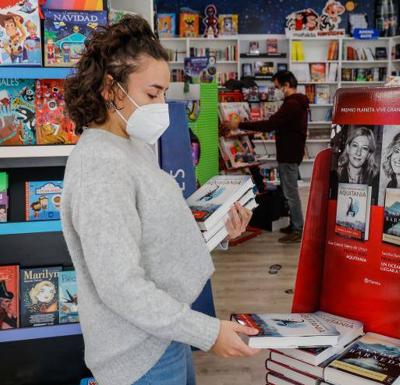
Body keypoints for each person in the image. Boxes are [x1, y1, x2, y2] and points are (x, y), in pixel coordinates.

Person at [61, 16, 259, 385]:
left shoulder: (132, 144)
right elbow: (121, 285)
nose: (161, 105)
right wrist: (209, 333)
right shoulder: (100, 166)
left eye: (165, 94)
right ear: (111, 88)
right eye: (152, 94)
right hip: (137, 355)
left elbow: (154, 240)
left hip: (167, 332)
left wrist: (220, 231)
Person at [227, 70, 309, 243]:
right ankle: (295, 224)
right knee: (288, 191)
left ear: (286, 86)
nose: (276, 90)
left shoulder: (292, 104)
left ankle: (298, 229)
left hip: (289, 154)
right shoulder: (296, 103)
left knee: (291, 192)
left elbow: (270, 124)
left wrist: (239, 124)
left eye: (277, 87)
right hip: (291, 153)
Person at [337, 126, 380, 203]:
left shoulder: (375, 180)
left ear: (369, 154)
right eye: (355, 145)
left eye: (364, 148)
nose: (358, 152)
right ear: (348, 148)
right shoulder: (335, 176)